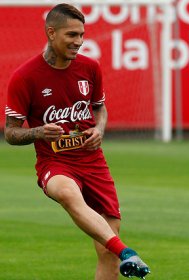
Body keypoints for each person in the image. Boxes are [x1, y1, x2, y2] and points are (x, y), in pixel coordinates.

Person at [4, 3, 149, 280]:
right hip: (55, 162)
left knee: (106, 250)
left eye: (81, 35)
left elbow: (99, 108)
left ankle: (119, 251)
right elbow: (11, 132)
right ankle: (127, 253)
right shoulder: (24, 77)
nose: (79, 42)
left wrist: (100, 128)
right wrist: (38, 132)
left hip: (94, 162)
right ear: (51, 33)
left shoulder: (90, 68)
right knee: (68, 194)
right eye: (71, 35)